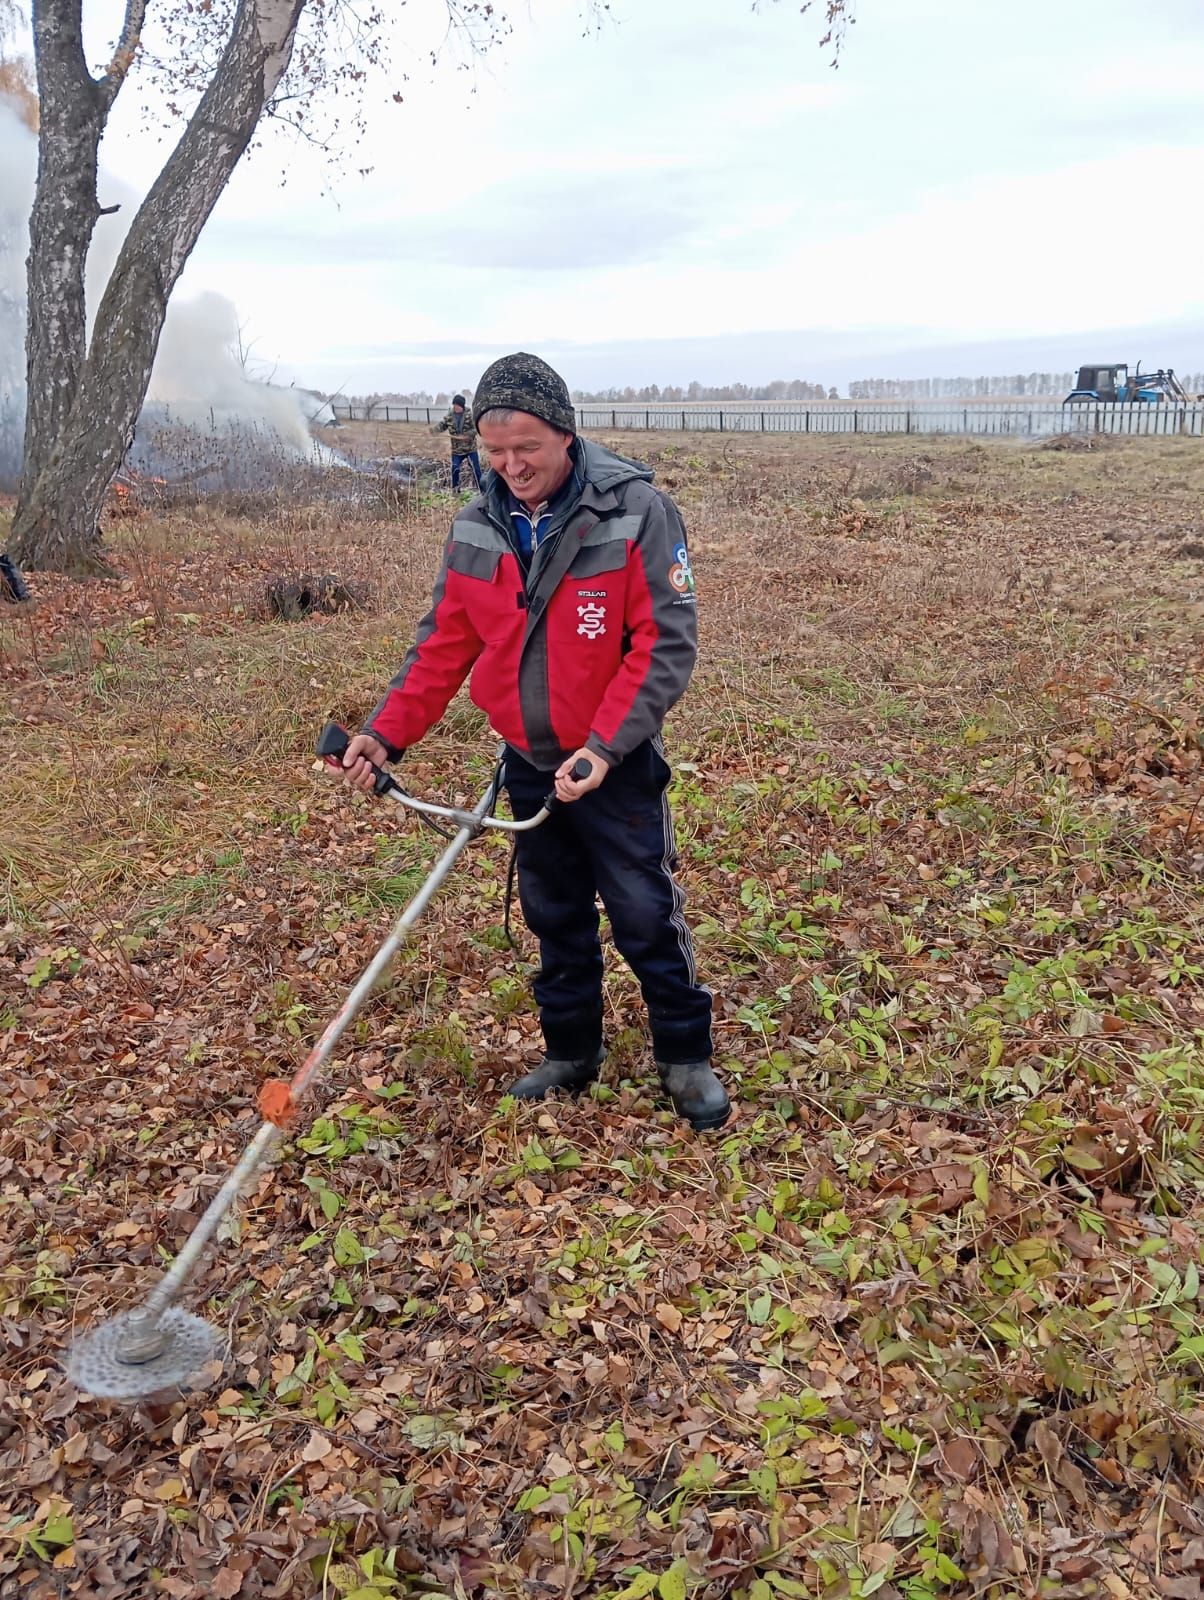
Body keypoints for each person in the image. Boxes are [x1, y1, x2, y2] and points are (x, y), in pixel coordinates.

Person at [342, 352, 730, 1132]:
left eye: (527, 447)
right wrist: (387, 734)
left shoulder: (637, 512)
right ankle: (572, 1051)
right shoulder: (476, 525)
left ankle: (685, 1054)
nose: (511, 465)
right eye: (494, 450)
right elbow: (443, 642)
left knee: (643, 910)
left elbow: (663, 642)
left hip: (609, 766)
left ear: (565, 434)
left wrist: (605, 747)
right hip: (529, 764)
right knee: (552, 912)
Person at [431, 393, 483, 491]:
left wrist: (467, 435)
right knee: (455, 468)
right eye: (454, 405)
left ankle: (482, 490)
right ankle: (455, 489)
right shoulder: (450, 416)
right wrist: (432, 431)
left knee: (476, 469)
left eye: (457, 405)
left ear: (462, 406)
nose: (455, 407)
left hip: (470, 449)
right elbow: (442, 425)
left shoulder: (470, 414)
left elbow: (476, 428)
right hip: (457, 450)